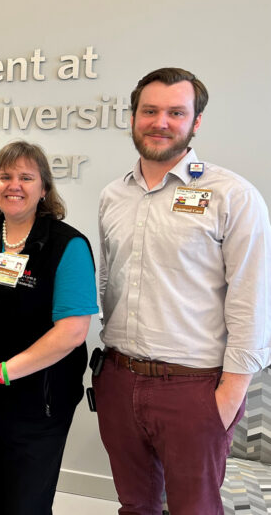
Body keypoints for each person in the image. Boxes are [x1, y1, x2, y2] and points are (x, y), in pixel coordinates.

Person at [95, 67, 271, 514]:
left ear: (196, 122)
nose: (160, 122)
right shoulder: (113, 196)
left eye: (176, 112)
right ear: (133, 117)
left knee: (195, 509)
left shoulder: (231, 195)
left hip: (193, 387)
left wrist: (229, 395)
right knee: (135, 507)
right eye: (149, 111)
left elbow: (252, 299)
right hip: (118, 378)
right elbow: (108, 281)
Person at [0, 140, 98, 513]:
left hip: (38, 402)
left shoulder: (67, 245)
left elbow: (72, 331)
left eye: (26, 177)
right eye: (5, 176)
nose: (14, 185)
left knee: (25, 503)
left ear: (44, 188)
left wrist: (3, 372)